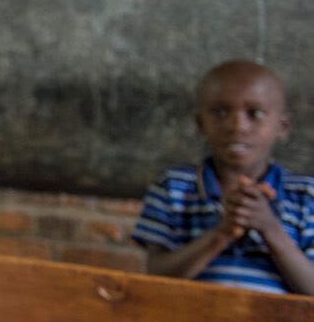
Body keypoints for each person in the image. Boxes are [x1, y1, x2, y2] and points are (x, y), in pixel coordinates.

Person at [132, 59, 313, 294]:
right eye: (220, 112)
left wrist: (269, 229)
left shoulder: (306, 195)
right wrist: (222, 233)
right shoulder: (174, 187)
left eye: (254, 113)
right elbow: (156, 278)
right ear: (200, 124)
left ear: (282, 127)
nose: (237, 126)